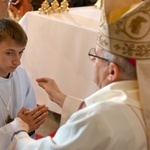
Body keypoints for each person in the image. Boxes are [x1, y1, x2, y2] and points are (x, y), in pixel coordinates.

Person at [5, 0, 150, 149]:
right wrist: (61, 98)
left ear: (112, 71)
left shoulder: (101, 118)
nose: (93, 60)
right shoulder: (141, 100)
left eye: (96, 56)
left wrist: (19, 130)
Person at [0, 18, 48, 150]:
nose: (17, 61)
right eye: (9, 53)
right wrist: (18, 126)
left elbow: (28, 119)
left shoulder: (21, 75)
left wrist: (31, 125)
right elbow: (22, 123)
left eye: (20, 52)